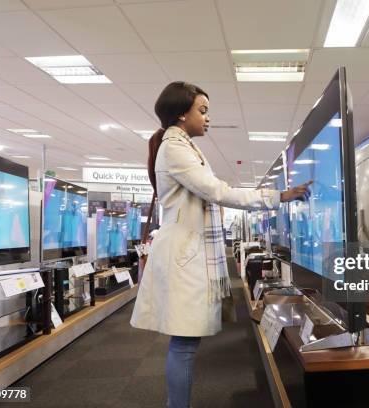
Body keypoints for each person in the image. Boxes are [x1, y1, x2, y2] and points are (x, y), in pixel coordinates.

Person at [130, 81, 310, 408]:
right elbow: (218, 191)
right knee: (184, 343)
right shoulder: (175, 147)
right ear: (182, 115)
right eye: (202, 110)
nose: (208, 117)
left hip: (187, 251)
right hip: (184, 255)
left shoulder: (181, 145)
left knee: (186, 342)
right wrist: (277, 196)